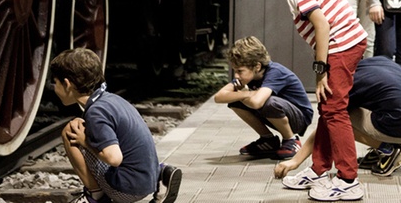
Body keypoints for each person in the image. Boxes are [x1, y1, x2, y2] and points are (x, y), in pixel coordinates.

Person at [250, 0, 367, 201]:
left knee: (334, 109)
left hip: (343, 44)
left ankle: (349, 179)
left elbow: (322, 25)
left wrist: (320, 69)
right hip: (346, 42)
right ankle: (318, 169)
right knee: (328, 106)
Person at [50, 48, 181, 203]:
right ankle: (160, 170)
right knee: (79, 125)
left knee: (70, 131)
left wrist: (84, 142)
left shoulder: (95, 113)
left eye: (55, 82)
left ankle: (95, 196)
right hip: (147, 178)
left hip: (127, 191)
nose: (53, 88)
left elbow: (114, 158)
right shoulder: (110, 99)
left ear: (67, 84)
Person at [275, 56, 401, 183]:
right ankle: (380, 149)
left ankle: (389, 149)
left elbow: (327, 125)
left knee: (339, 118)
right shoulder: (381, 60)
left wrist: (295, 161)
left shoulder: (348, 82)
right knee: (367, 106)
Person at [212, 36, 313, 160]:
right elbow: (219, 97)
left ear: (257, 67)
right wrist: (247, 93)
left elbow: (256, 102)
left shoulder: (275, 72)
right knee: (235, 102)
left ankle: (291, 140)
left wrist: (248, 94)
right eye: (234, 71)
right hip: (280, 114)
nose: (236, 75)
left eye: (240, 71)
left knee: (268, 102)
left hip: (299, 119)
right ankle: (268, 140)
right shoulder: (247, 76)